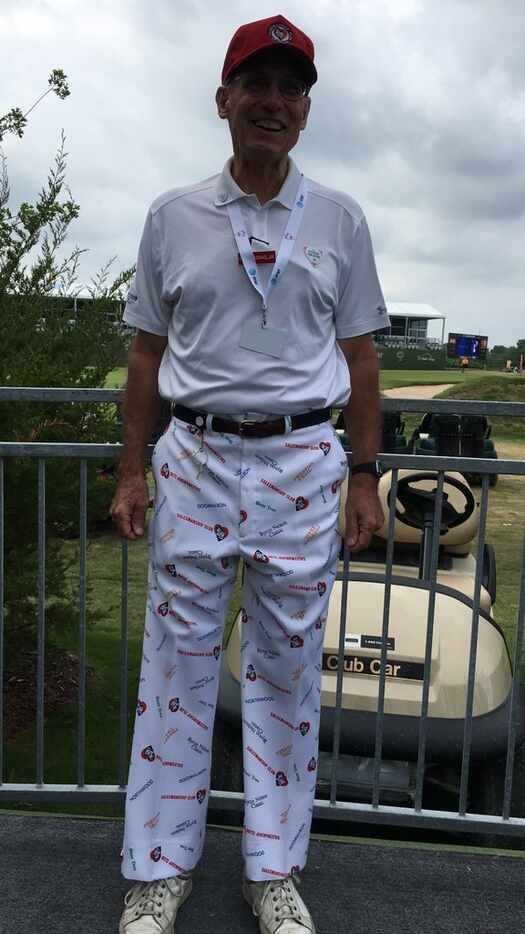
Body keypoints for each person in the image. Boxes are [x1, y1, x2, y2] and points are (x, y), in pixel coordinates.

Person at [112, 14, 387, 934]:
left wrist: (362, 476)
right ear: (224, 99)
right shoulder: (171, 216)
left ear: (305, 112)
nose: (273, 103)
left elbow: (360, 364)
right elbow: (146, 358)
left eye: (291, 89)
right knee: (176, 671)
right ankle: (158, 869)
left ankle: (272, 870)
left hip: (303, 466)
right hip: (193, 461)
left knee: (285, 673)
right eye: (256, 85)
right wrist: (130, 473)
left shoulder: (341, 219)